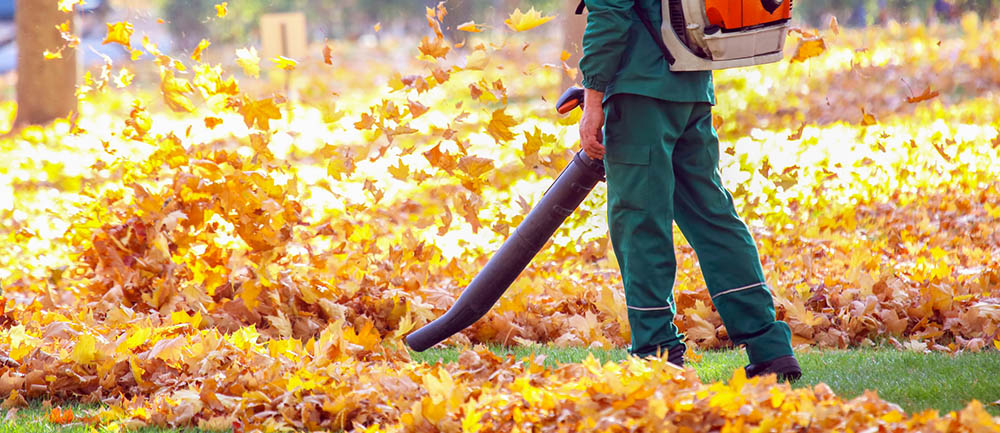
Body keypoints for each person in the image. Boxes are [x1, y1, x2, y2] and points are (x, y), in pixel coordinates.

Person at [577, 0, 801, 380]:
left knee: (641, 221)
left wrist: (593, 98)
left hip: (640, 91)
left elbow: (610, 14)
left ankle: (655, 354)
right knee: (713, 218)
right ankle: (770, 347)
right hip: (693, 80)